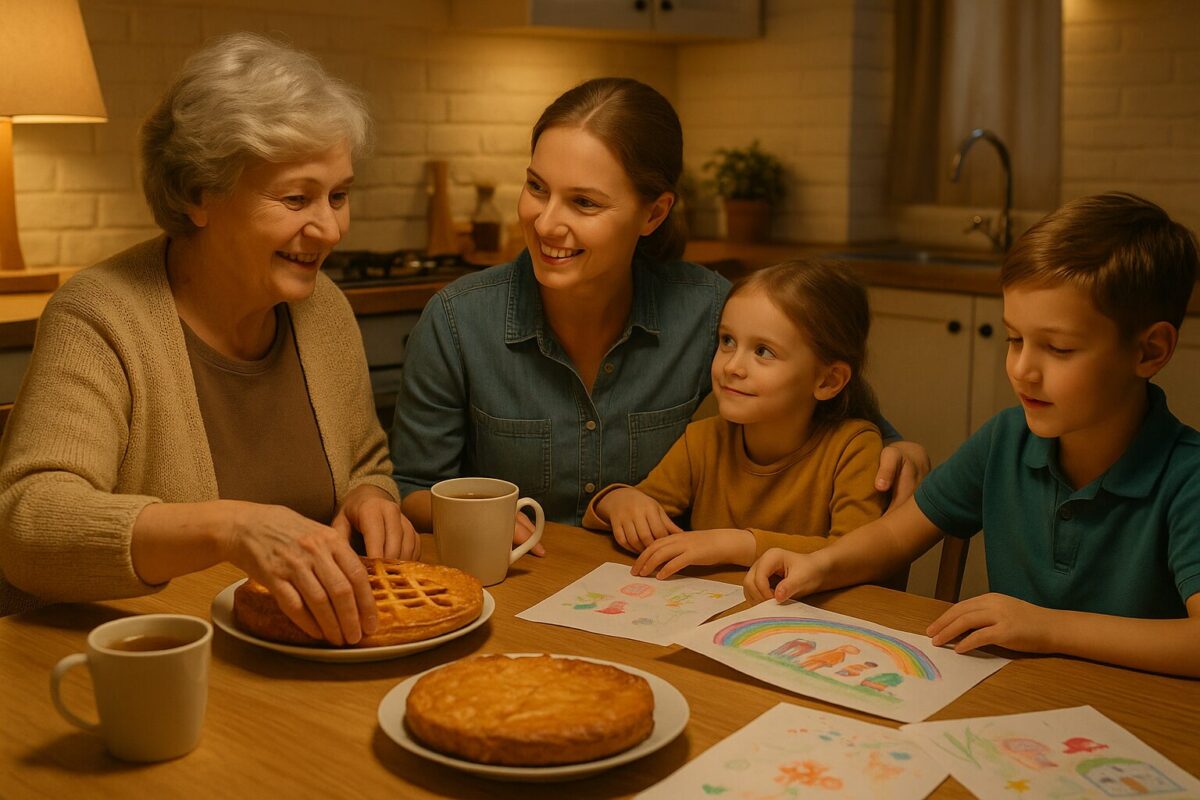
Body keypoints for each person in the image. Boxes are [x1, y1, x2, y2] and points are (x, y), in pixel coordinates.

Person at [0, 33, 418, 646]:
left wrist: (371, 497)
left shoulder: (322, 309)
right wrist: (230, 528)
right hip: (145, 665)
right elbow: (27, 524)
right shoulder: (101, 315)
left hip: (300, 653)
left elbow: (367, 462)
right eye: (296, 197)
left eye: (339, 195)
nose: (329, 229)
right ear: (200, 193)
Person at [390, 77, 930, 544]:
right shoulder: (457, 321)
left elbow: (834, 417)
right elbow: (413, 489)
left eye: (584, 202)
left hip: (660, 600)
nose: (546, 221)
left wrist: (897, 447)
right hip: (515, 590)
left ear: (654, 213)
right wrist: (483, 517)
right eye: (537, 187)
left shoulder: (711, 313)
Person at [745, 192, 1200, 678]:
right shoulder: (1005, 439)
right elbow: (897, 535)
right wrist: (821, 565)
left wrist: (1046, 628)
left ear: (1150, 351)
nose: (1022, 369)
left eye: (1060, 348)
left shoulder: (1186, 476)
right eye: (1014, 339)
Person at [582, 260, 886, 580]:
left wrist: (738, 544)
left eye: (763, 352)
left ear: (828, 381)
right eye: (727, 341)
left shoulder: (854, 447)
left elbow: (855, 555)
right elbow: (643, 508)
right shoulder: (703, 439)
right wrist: (617, 501)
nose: (732, 367)